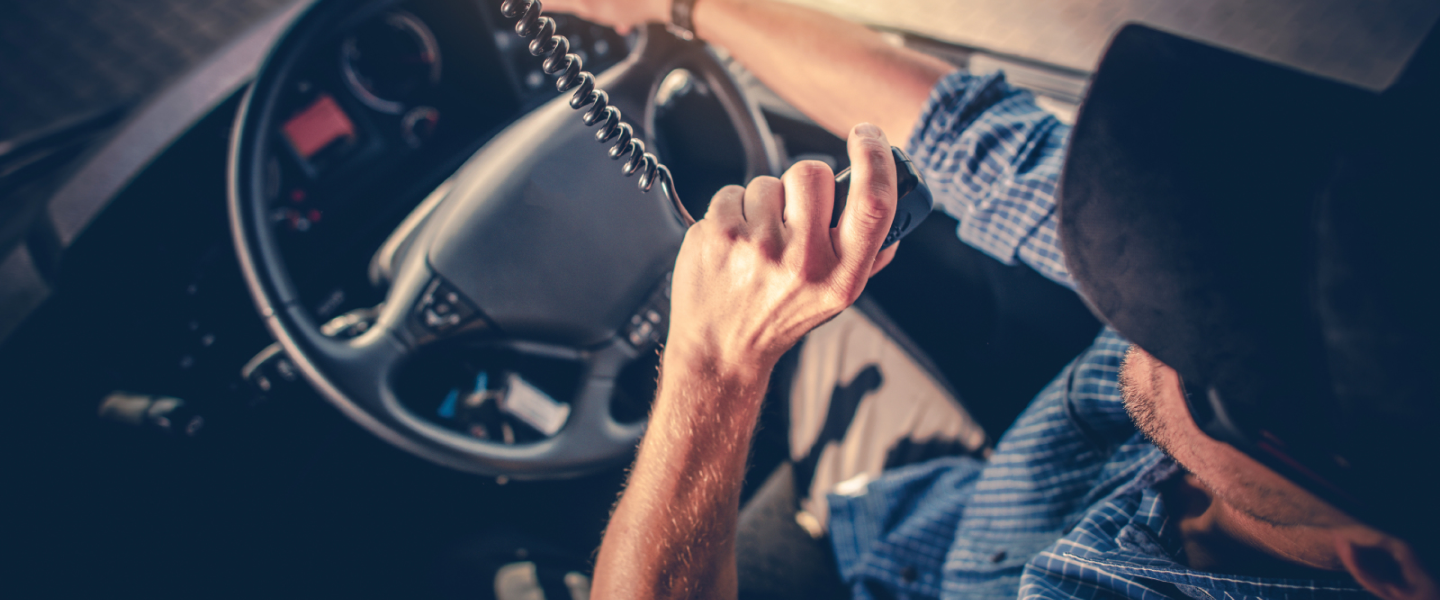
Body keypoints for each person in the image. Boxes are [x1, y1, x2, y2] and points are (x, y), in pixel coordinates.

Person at [535, 1, 1440, 599]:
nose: (1136, 307)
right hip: (910, 515)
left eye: (1207, 355)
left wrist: (715, 364)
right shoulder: (1335, 291)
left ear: (1381, 564)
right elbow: (978, 143)